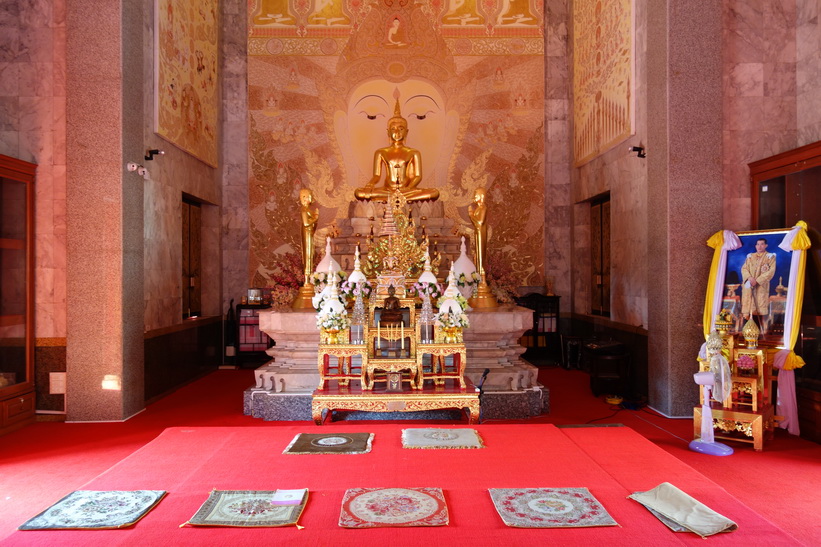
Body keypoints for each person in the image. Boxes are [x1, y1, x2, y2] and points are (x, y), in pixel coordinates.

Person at [354, 100, 439, 203]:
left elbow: (418, 176)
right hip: (387, 190)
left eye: (401, 128)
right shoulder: (381, 152)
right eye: (393, 129)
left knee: (434, 192)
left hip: (407, 190)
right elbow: (376, 176)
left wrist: (408, 188)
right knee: (359, 193)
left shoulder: (413, 152)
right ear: (388, 132)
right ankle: (397, 198)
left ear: (406, 132)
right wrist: (370, 184)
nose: (397, 132)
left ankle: (394, 198)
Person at [741, 237, 776, 332]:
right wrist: (749, 278)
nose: (759, 246)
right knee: (748, 309)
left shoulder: (770, 257)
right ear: (755, 246)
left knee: (758, 310)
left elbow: (770, 272)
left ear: (766, 245)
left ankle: (757, 335)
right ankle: (746, 334)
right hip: (749, 286)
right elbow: (744, 269)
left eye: (762, 244)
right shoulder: (750, 256)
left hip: (760, 287)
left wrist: (757, 280)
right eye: (758, 244)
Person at [299, 189, 319, 284]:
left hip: (310, 234)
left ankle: (310, 279)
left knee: (311, 254)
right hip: (307, 234)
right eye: (309, 196)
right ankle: (307, 279)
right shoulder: (304, 209)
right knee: (308, 255)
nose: (311, 198)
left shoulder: (308, 210)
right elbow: (306, 223)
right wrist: (315, 218)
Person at [468, 187, 488, 276]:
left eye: (476, 195)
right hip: (478, 232)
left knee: (480, 253)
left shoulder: (483, 208)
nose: (474, 197)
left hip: (481, 232)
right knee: (477, 253)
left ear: (481, 196)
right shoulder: (478, 208)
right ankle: (478, 274)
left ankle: (481, 276)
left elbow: (480, 222)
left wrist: (471, 214)